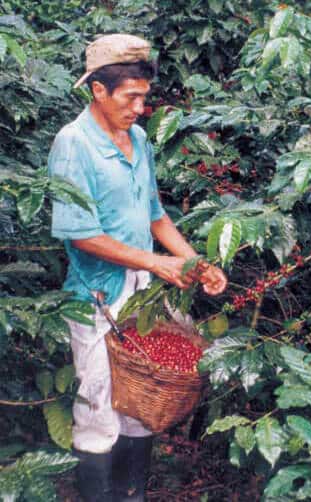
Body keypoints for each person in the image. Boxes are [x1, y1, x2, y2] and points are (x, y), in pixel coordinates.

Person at [48, 34, 227, 502]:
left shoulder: (139, 139)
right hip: (97, 296)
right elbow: (79, 232)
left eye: (144, 98)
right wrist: (155, 261)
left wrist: (192, 263)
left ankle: (132, 495)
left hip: (143, 293)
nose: (140, 108)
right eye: (131, 97)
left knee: (140, 402)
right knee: (100, 408)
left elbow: (155, 215)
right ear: (99, 91)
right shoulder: (73, 144)